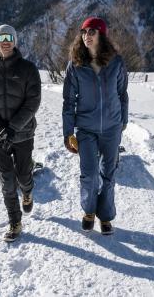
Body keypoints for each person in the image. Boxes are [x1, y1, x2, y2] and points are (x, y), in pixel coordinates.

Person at [0, 24, 41, 242]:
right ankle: (15, 222)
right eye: (1, 37)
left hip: (23, 134)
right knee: (7, 180)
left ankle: (28, 192)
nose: (5, 41)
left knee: (23, 176)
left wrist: (14, 127)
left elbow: (33, 102)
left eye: (9, 37)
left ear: (15, 41)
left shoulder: (28, 69)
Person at [62, 17, 128, 235]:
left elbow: (122, 94)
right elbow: (68, 101)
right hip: (86, 129)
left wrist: (122, 122)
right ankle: (89, 211)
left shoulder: (116, 62)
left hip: (111, 128)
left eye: (92, 32)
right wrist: (68, 132)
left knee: (108, 175)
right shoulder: (76, 64)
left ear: (102, 35)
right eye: (83, 32)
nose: (86, 36)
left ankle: (106, 216)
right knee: (89, 174)